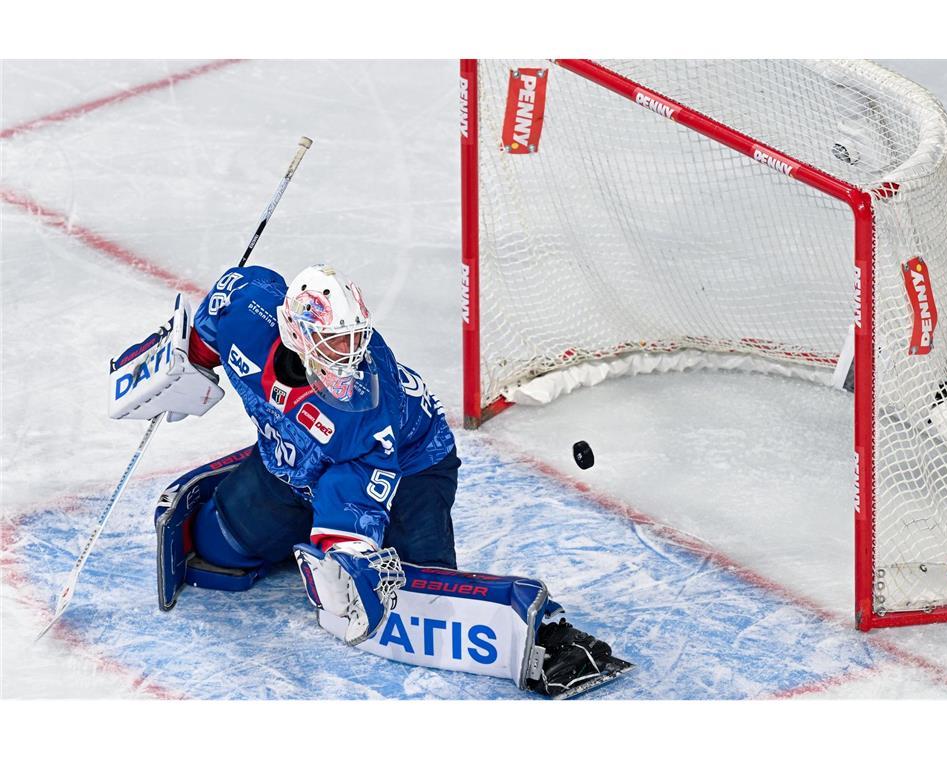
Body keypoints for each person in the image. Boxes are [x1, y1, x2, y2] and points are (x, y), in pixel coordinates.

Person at [108, 263, 632, 698]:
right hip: (289, 463)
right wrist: (183, 361)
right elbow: (215, 318)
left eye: (353, 340)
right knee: (214, 553)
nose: (350, 356)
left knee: (417, 594)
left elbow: (355, 487)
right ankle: (291, 532)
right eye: (335, 344)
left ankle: (544, 639)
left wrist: (346, 552)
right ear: (295, 332)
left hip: (409, 466)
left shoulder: (365, 405)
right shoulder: (247, 309)